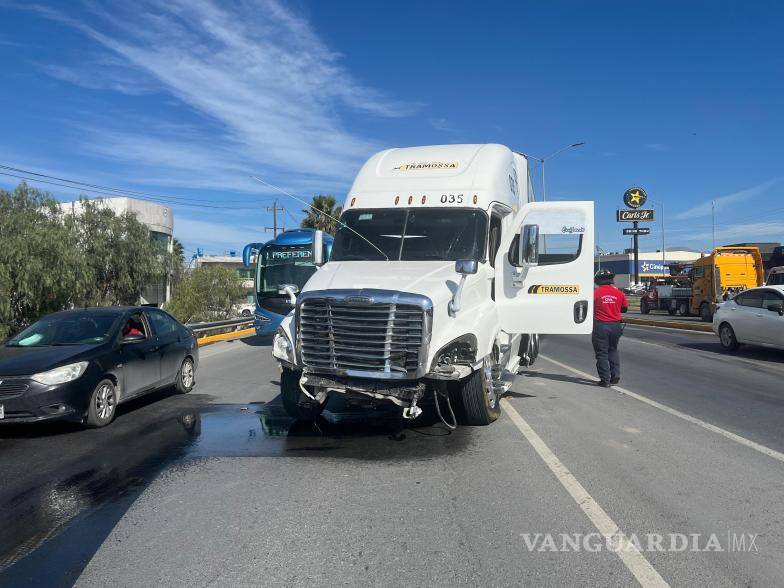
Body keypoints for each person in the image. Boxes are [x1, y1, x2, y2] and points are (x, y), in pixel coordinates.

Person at [592, 269, 628, 387]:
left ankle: (605, 380)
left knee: (602, 353)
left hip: (601, 325)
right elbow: (624, 309)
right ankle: (615, 374)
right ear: (611, 279)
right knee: (612, 350)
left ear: (598, 280)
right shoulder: (620, 293)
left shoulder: (595, 293)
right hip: (616, 326)